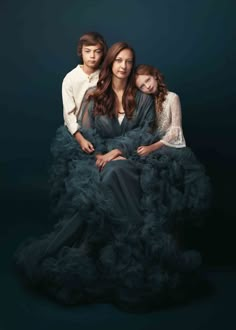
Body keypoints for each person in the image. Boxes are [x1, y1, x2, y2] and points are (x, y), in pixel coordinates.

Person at [15, 44, 207, 312]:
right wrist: (101, 155)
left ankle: (106, 246)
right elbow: (86, 135)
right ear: (110, 63)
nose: (123, 66)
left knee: (117, 170)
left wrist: (119, 151)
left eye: (129, 62)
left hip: (133, 159)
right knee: (103, 176)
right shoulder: (95, 96)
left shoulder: (140, 96)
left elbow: (145, 131)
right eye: (118, 60)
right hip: (99, 159)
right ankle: (105, 246)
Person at [135, 63, 211, 235]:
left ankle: (179, 231)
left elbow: (175, 130)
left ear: (154, 75)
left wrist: (152, 147)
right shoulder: (146, 102)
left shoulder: (172, 97)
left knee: (178, 180)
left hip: (170, 147)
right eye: (142, 86)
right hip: (152, 147)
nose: (147, 86)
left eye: (147, 80)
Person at [62, 31, 107, 153]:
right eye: (88, 51)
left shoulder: (105, 76)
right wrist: (80, 139)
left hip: (103, 131)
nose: (92, 56)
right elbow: (68, 114)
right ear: (81, 52)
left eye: (97, 52)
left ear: (102, 54)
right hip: (78, 133)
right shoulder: (70, 78)